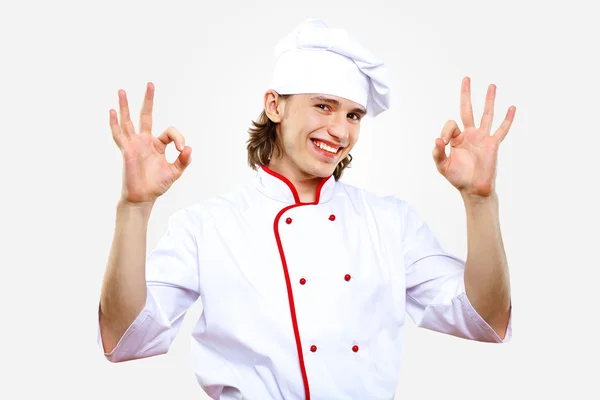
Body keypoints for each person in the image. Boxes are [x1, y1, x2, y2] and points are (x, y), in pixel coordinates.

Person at [97, 18, 514, 400]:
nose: (340, 130)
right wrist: (134, 209)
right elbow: (124, 338)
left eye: (353, 115)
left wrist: (480, 201)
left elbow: (486, 319)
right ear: (275, 106)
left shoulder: (389, 222)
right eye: (323, 105)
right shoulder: (207, 226)